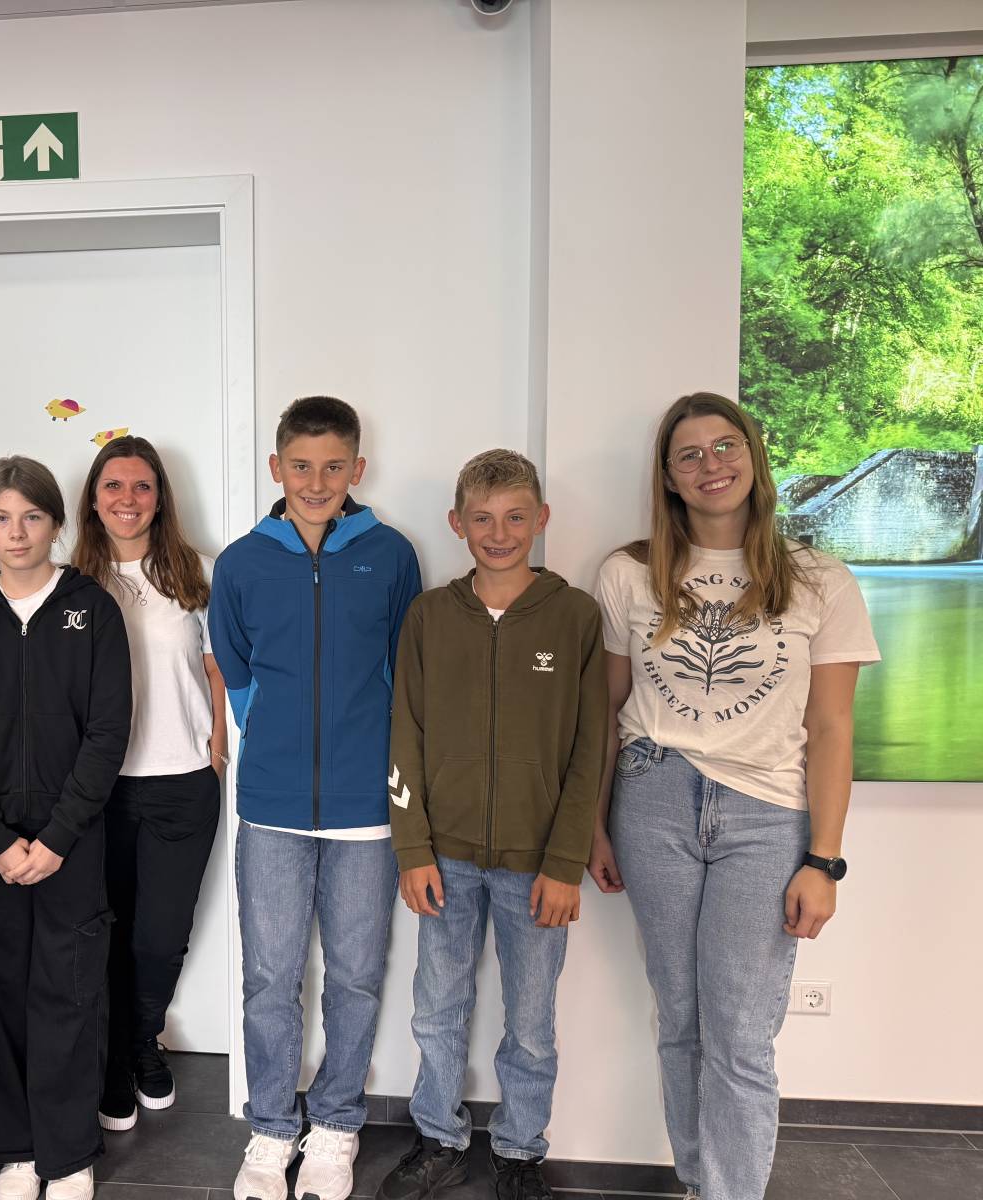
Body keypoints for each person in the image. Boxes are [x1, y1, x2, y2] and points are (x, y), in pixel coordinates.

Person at [587, 393, 880, 1200]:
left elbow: (832, 729)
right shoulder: (628, 574)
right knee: (679, 1018)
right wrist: (594, 825)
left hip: (767, 813)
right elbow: (606, 710)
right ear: (668, 477)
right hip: (651, 799)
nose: (710, 465)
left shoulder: (820, 580)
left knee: (741, 1035)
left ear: (753, 457)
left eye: (726, 447)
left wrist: (824, 859)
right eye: (689, 454)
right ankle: (699, 1182)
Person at [378, 450, 606, 1200]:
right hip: (442, 859)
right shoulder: (429, 616)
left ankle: (519, 1153)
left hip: (537, 864)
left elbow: (590, 750)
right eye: (482, 518)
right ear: (457, 523)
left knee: (531, 1022)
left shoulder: (575, 617)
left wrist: (566, 861)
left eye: (515, 517)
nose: (499, 533)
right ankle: (439, 1140)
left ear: (542, 520)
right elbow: (404, 734)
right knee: (436, 1009)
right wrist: (412, 849)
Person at [209, 396, 422, 1200]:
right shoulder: (241, 563)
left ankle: (335, 1127)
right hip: (271, 806)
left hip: (368, 806)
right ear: (277, 468)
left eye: (334, 466)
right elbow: (234, 667)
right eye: (301, 465)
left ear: (357, 469)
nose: (317, 481)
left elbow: (407, 668)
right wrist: (269, 732)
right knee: (270, 977)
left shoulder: (390, 554)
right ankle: (270, 1131)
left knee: (356, 976)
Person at [0, 455, 131, 1200]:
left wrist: (56, 838)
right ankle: (14, 1148)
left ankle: (68, 1152)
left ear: (57, 523)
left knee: (69, 990)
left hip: (71, 840)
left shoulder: (93, 611)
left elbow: (107, 734)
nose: (17, 533)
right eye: (2, 518)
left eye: (32, 517)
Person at [70, 435, 228, 1133]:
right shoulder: (71, 580)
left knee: (160, 937)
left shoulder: (199, 572)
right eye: (113, 485)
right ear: (93, 499)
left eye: (141, 486)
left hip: (182, 783)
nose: (127, 499)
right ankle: (110, 1060)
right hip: (97, 790)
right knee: (103, 930)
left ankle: (142, 1041)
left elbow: (218, 669)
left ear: (160, 497)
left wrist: (217, 747)